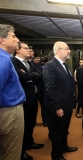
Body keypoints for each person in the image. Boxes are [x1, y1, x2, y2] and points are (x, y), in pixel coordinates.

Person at [43, 41, 78, 160]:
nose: (69, 51)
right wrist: (57, 107)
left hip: (67, 104)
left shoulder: (64, 65)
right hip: (60, 106)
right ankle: (56, 155)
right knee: (58, 132)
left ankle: (64, 147)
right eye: (66, 49)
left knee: (64, 130)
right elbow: (50, 88)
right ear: (58, 50)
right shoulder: (50, 66)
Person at [12, 42, 45, 160]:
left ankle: (29, 142)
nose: (29, 51)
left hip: (33, 96)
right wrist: (32, 75)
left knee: (31, 122)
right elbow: (24, 77)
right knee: (22, 126)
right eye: (26, 48)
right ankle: (21, 151)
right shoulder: (13, 62)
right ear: (17, 50)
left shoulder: (29, 63)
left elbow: (40, 75)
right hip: (23, 98)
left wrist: (31, 74)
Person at [0, 24, 26, 160]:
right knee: (11, 154)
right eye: (14, 36)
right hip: (9, 112)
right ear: (2, 40)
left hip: (6, 110)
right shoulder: (3, 58)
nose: (17, 40)